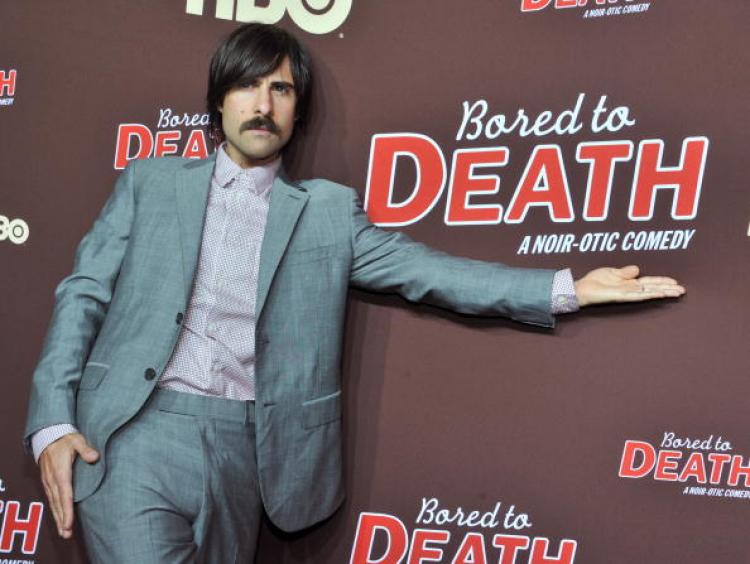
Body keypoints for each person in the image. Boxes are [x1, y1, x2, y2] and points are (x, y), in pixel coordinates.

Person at [24, 23, 685, 563]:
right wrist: (52, 421)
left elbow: (430, 270)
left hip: (249, 455)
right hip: (137, 433)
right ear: (219, 101)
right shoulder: (150, 184)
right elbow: (82, 295)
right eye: (248, 87)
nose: (262, 104)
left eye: (280, 90)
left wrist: (565, 287)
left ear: (297, 108)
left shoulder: (325, 214)